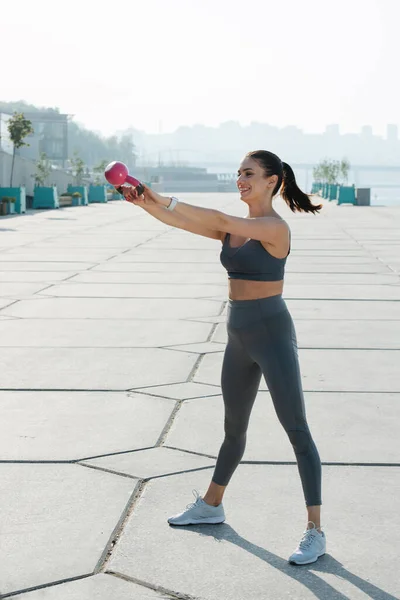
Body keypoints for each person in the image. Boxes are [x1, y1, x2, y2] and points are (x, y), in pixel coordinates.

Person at [121, 150, 325, 566]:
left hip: (271, 332)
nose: (240, 179)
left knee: (297, 429)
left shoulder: (273, 227)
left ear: (272, 180)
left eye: (248, 173)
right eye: (238, 174)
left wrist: (159, 195)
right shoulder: (234, 232)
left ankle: (315, 531)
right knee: (233, 429)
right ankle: (212, 506)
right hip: (238, 334)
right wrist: (147, 204)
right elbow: (187, 222)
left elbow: (216, 218)